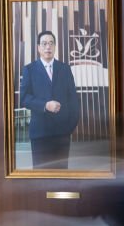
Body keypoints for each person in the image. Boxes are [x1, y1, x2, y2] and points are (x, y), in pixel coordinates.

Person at [19, 30, 80, 168]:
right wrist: (45, 105)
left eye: (51, 43)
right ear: (39, 47)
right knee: (41, 175)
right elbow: (24, 99)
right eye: (44, 43)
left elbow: (74, 101)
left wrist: (69, 128)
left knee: (61, 173)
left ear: (55, 46)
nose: (48, 47)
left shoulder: (65, 69)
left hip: (62, 134)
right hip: (40, 134)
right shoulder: (29, 69)